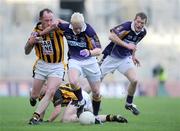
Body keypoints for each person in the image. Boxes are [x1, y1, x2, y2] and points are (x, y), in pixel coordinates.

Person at [39, 12, 102, 118]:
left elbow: (99, 49)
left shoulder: (89, 31)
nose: (77, 30)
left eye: (79, 28)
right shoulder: (66, 27)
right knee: (72, 81)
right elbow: (54, 25)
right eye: (75, 28)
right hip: (75, 60)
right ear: (71, 24)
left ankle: (95, 116)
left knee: (96, 92)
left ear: (83, 24)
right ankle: (81, 101)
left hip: (90, 61)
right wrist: (40, 34)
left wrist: (89, 52)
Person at [24, 8, 67, 125]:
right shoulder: (35, 31)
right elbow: (26, 51)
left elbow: (73, 27)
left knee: (51, 91)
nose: (49, 23)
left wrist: (60, 21)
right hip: (42, 65)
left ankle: (35, 117)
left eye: (51, 20)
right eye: (46, 20)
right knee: (35, 95)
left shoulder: (58, 27)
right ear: (40, 20)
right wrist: (30, 43)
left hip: (57, 65)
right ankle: (32, 96)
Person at [100, 12, 147, 115]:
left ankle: (129, 104)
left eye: (142, 23)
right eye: (138, 22)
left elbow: (134, 44)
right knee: (96, 81)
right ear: (134, 20)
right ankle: (84, 102)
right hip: (111, 57)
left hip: (125, 58)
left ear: (144, 24)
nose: (139, 25)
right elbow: (111, 36)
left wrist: (133, 56)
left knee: (134, 80)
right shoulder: (126, 26)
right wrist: (126, 46)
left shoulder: (143, 32)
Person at [38, 83, 128, 124]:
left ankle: (84, 118)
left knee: (65, 120)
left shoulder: (55, 90)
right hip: (83, 96)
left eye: (40, 86)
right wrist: (39, 119)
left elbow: (57, 110)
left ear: (46, 85)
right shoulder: (44, 95)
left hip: (79, 98)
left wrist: (48, 121)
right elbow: (43, 107)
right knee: (94, 117)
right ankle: (112, 117)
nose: (38, 89)